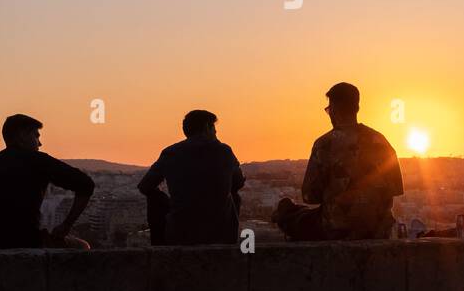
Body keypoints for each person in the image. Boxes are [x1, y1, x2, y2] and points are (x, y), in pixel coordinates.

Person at [273, 82, 403, 241]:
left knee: (289, 214)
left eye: (328, 110)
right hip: (379, 230)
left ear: (333, 109)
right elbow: (395, 188)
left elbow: (310, 196)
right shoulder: (381, 141)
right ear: (357, 108)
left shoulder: (325, 144)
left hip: (336, 229)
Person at [0, 113, 94, 249]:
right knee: (83, 246)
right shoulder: (37, 161)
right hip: (25, 242)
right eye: (36, 136)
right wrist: (66, 225)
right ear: (22, 136)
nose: (40, 143)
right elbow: (86, 185)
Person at [137, 109, 245, 246]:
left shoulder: (170, 153)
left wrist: (167, 201)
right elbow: (238, 183)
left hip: (180, 231)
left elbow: (145, 187)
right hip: (221, 232)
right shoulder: (224, 151)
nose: (216, 132)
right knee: (234, 195)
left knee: (154, 197)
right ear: (207, 127)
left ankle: (159, 245)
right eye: (214, 128)